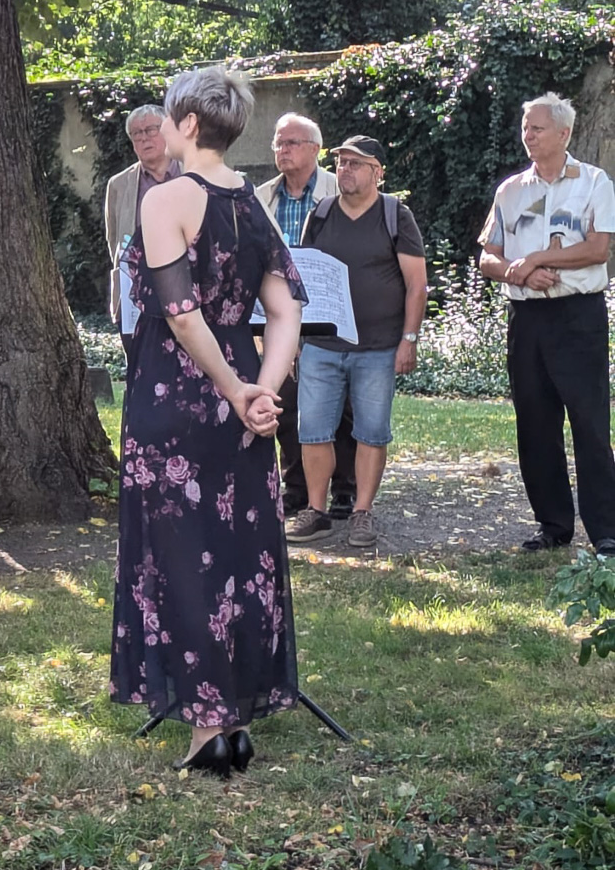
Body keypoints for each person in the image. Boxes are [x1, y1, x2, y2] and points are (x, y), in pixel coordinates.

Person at [110, 66, 306, 777]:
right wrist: (263, 390)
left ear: (189, 124)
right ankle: (232, 714)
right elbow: (286, 311)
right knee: (234, 552)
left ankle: (208, 727)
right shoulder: (251, 204)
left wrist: (234, 389)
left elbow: (178, 310)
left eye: (167, 116)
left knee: (181, 554)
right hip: (239, 392)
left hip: (177, 395)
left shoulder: (169, 199)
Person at [478, 92, 615, 554]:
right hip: (528, 317)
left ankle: (606, 529)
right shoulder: (511, 190)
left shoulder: (594, 182)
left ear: (564, 133)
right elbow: (488, 255)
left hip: (578, 317)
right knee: (535, 423)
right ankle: (553, 525)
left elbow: (599, 249)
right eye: (524, 127)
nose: (527, 135)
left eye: (536, 128)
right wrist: (521, 272)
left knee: (590, 423)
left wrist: (537, 256)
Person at [286, 136, 426, 550]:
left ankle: (362, 513)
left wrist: (409, 340)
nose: (344, 170)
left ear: (377, 172)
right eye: (341, 162)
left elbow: (417, 286)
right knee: (311, 431)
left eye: (355, 164)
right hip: (322, 346)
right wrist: (295, 339)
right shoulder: (322, 213)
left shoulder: (395, 215)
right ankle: (317, 511)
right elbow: (304, 277)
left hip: (378, 347)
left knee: (371, 432)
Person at [254, 113, 356, 520]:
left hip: (330, 311)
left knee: (341, 406)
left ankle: (344, 492)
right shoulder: (261, 197)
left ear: (316, 149)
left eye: (292, 143)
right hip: (276, 315)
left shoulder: (339, 189)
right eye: (278, 143)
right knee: (285, 402)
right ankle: (295, 489)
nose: (283, 150)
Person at [103, 104, 181, 344]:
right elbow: (114, 241)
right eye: (137, 133)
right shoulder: (119, 185)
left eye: (150, 130)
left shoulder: (194, 175)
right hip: (137, 299)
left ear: (167, 131)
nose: (144, 138)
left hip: (188, 294)